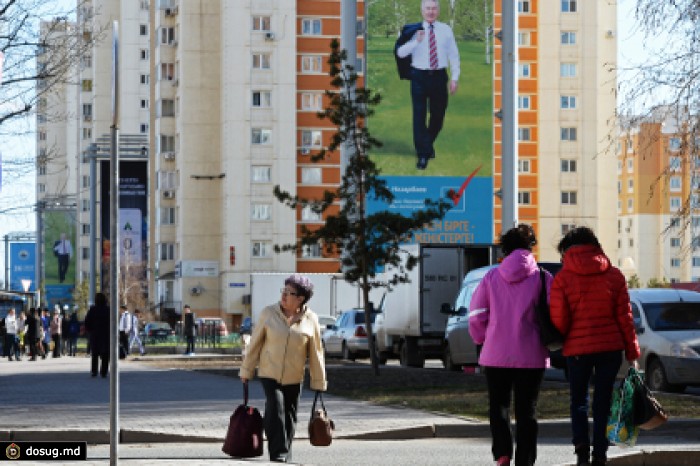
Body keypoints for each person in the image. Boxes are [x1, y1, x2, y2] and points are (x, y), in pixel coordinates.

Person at [549, 227, 640, 466]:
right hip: (610, 349)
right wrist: (632, 352)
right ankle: (600, 453)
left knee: (578, 400)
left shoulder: (563, 278)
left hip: (577, 350)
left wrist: (565, 336)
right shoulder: (614, 276)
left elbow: (559, 318)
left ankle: (581, 448)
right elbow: (625, 318)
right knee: (604, 400)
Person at [468, 224, 552, 466]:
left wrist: (483, 338)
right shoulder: (543, 278)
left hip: (496, 354)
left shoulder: (491, 277)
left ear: (505, 248)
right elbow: (556, 314)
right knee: (527, 412)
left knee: (499, 406)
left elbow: (476, 314)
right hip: (532, 355)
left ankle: (503, 453)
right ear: (530, 246)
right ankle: (525, 461)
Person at [239, 274, 327, 463]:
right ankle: (278, 453)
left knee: (289, 416)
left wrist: (319, 381)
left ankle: (286, 453)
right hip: (269, 372)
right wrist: (246, 371)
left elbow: (316, 352)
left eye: (290, 292)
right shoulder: (268, 313)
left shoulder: (311, 319)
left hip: (294, 376)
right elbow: (254, 344)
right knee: (276, 408)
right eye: (284, 290)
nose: (284, 295)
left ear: (301, 298)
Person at [396, 0, 460, 170]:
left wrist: (454, 78)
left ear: (438, 11)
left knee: (438, 116)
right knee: (419, 116)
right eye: (427, 8)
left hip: (439, 76)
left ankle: (427, 144)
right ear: (422, 10)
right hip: (419, 77)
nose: (430, 12)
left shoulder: (446, 29)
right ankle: (423, 155)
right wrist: (416, 41)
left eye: (433, 8)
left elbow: (453, 55)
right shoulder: (412, 31)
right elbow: (400, 53)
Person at [85, 292, 111, 377]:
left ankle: (94, 371)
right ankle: (104, 371)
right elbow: (113, 322)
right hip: (106, 334)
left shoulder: (93, 310)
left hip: (95, 334)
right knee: (105, 353)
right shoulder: (108, 310)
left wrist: (89, 330)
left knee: (95, 353)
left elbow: (87, 321)